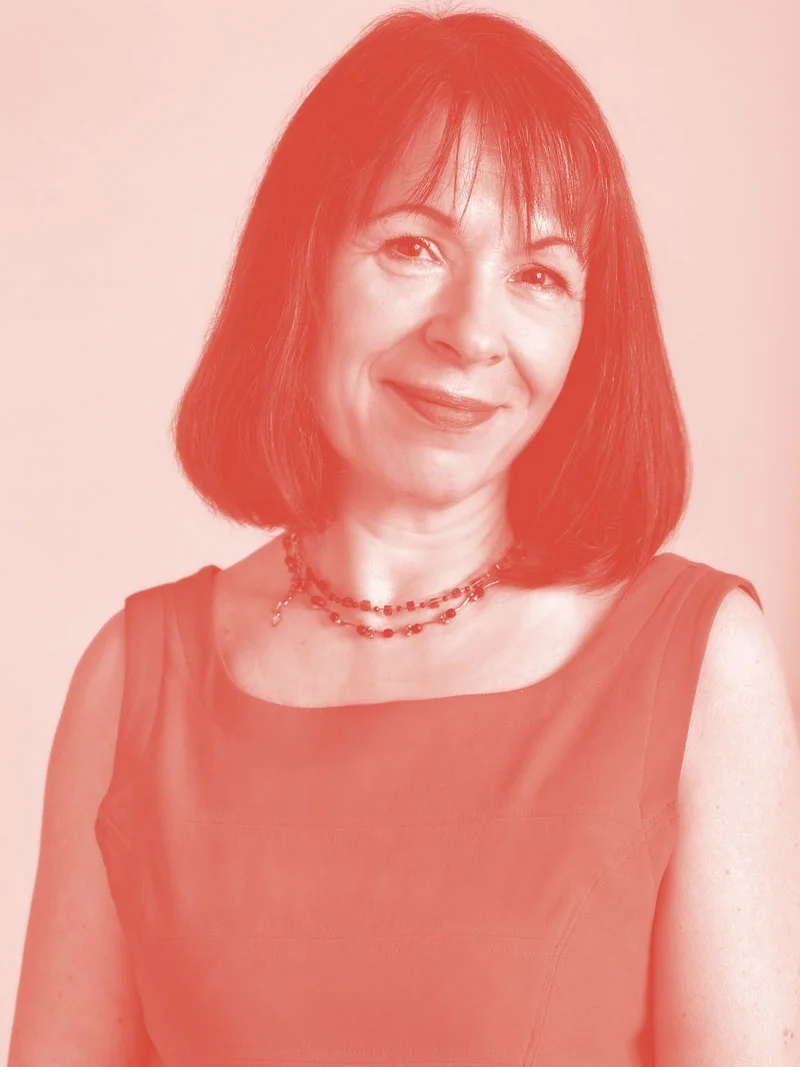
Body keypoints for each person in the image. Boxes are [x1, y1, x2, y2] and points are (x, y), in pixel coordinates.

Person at [9, 8, 800, 1066]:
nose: (470, 333)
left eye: (539, 275)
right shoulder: (128, 685)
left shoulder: (699, 668)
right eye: (413, 246)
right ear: (301, 272)